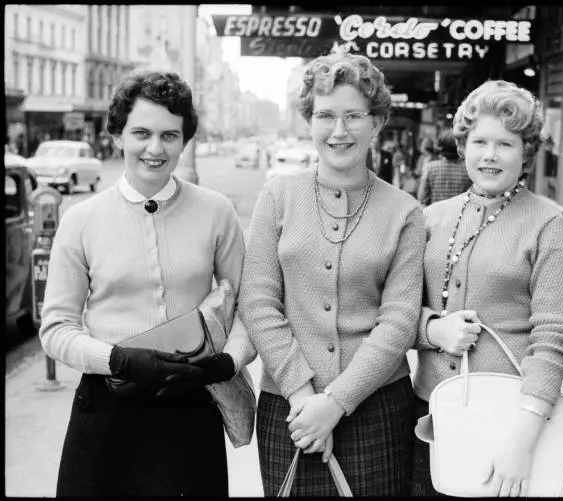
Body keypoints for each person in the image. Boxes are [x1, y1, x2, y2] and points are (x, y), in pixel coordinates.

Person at [38, 70, 254, 496]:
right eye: (141, 133)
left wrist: (228, 362)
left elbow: (249, 305)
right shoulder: (81, 220)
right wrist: (118, 358)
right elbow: (56, 329)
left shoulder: (216, 211)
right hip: (107, 411)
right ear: (117, 135)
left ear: (185, 140)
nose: (155, 149)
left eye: (170, 136)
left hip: (191, 408)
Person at [238, 52, 426, 496]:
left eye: (353, 116)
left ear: (377, 122)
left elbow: (398, 321)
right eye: (325, 115)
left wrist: (337, 402)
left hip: (376, 407)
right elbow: (258, 301)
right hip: (290, 406)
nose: (338, 131)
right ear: (309, 120)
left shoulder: (404, 211)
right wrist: (304, 395)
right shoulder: (278, 196)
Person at [410, 80, 563, 497]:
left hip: (512, 420)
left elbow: (553, 339)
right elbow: (394, 310)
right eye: (479, 141)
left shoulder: (550, 227)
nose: (489, 155)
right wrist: (432, 330)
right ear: (462, 145)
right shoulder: (431, 218)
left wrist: (521, 442)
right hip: (430, 412)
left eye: (505, 144)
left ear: (526, 152)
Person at [417, 128, 472, 206]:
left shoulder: (430, 168)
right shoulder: (468, 170)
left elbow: (422, 198)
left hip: (435, 215)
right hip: (459, 216)